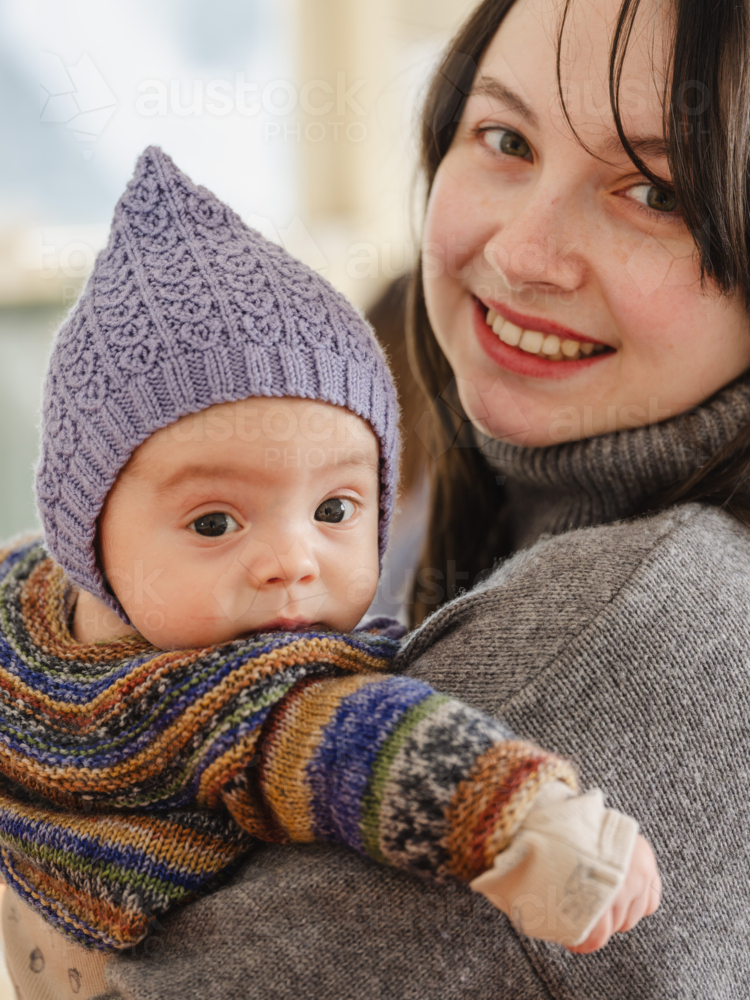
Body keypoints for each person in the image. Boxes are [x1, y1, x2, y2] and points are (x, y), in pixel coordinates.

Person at [86, 0, 750, 997]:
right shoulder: (445, 488)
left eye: (654, 190)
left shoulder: (635, 631)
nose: (523, 252)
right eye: (504, 137)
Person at [0, 145, 658, 1000]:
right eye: (213, 522)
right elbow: (380, 750)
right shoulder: (243, 702)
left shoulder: (25, 601)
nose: (291, 563)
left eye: (336, 510)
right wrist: (554, 843)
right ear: (86, 532)